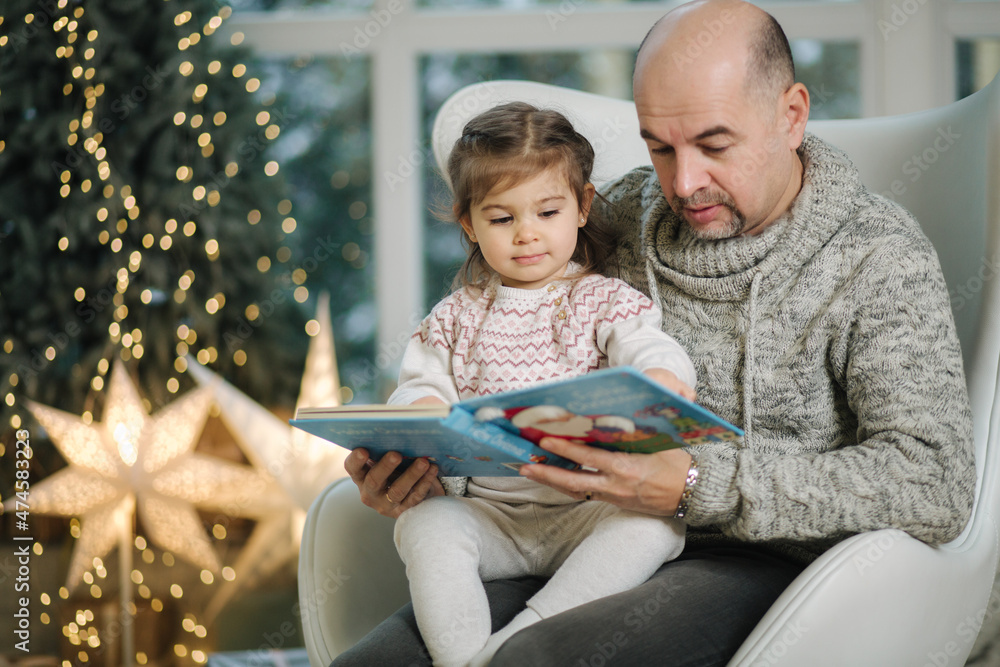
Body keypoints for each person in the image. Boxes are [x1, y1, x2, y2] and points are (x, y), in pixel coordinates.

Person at [339, 1, 977, 665]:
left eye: (714, 144)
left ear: (791, 115)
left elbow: (934, 482)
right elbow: (496, 332)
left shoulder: (877, 256)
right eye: (660, 146)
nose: (684, 181)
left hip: (768, 563)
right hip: (571, 530)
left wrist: (698, 480)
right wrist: (419, 455)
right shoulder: (619, 216)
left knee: (532, 659)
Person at [381, 101, 699, 667]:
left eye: (547, 212)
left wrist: (662, 378)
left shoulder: (604, 299)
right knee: (425, 523)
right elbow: (415, 386)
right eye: (502, 219)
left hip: (587, 507)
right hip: (492, 518)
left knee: (655, 528)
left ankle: (514, 645)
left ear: (582, 207)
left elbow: (649, 345)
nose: (527, 236)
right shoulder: (454, 317)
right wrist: (425, 404)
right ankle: (460, 657)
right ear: (468, 222)